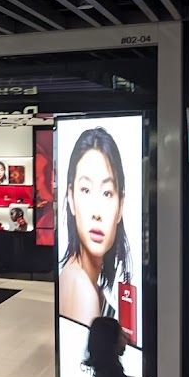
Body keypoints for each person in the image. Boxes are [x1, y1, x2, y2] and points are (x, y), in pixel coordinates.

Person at [59, 127, 132, 326]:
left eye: (107, 193)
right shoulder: (83, 289)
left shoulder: (78, 277)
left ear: (121, 205)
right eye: (86, 190)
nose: (97, 213)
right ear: (71, 198)